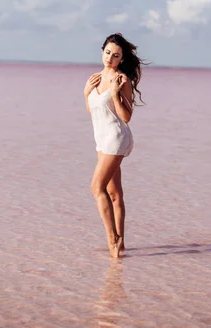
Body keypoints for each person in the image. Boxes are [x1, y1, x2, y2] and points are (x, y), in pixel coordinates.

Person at [84, 33, 145, 258]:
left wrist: (118, 94)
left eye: (116, 55)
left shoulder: (122, 80)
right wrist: (85, 93)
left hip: (115, 137)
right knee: (114, 193)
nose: (110, 58)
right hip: (101, 138)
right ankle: (121, 247)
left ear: (121, 59)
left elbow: (126, 117)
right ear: (102, 52)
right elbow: (93, 111)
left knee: (95, 188)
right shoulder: (94, 79)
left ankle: (112, 238)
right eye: (108, 53)